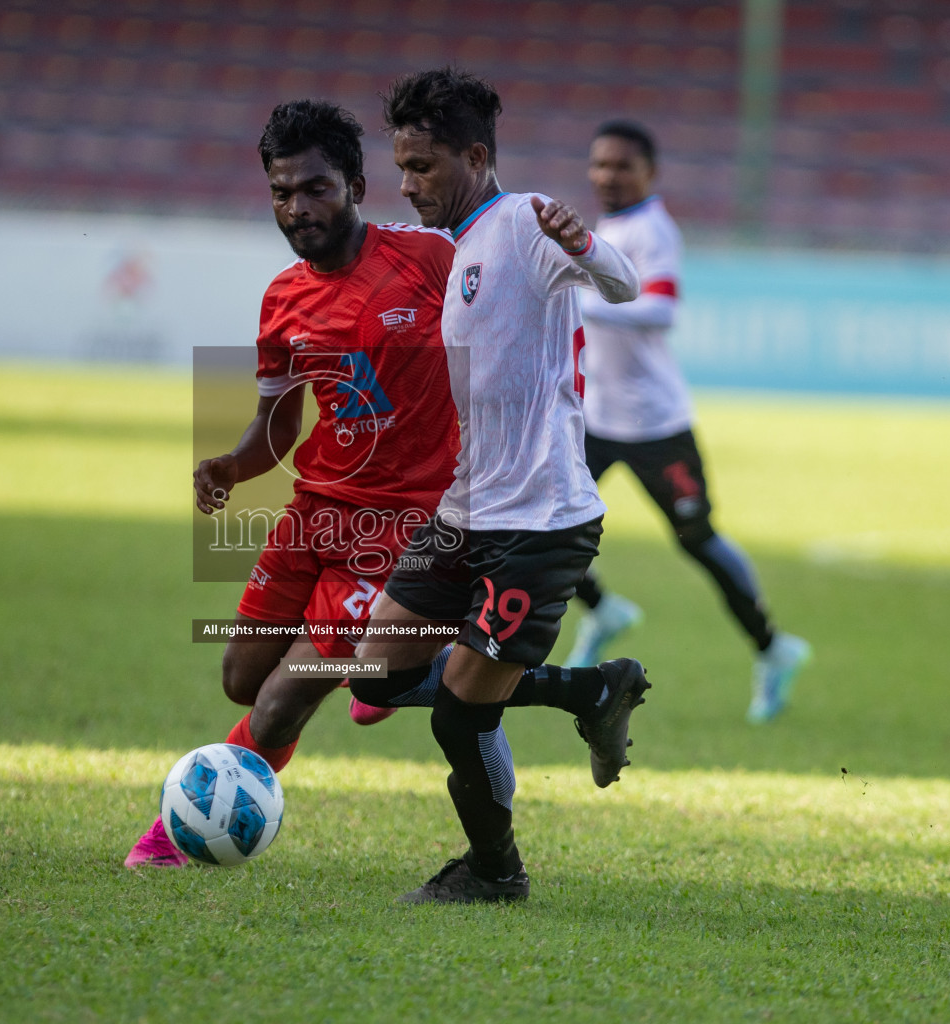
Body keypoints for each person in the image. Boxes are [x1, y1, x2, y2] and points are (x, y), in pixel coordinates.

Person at [125, 100, 461, 868]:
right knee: (243, 679)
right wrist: (232, 467)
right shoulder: (284, 299)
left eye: (316, 189)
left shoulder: (429, 262)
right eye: (283, 193)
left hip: (397, 528)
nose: (298, 209)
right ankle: (401, 664)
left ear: (356, 186)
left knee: (283, 698)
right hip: (312, 518)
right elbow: (277, 425)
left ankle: (179, 832)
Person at [347, 68, 650, 905]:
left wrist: (583, 242)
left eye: (423, 168)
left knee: (458, 715)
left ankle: (495, 874)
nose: (408, 186)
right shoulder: (460, 246)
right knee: (372, 675)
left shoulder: (522, 223)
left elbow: (624, 283)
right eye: (401, 167)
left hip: (543, 524)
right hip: (466, 511)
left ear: (476, 156)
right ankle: (592, 687)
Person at [566, 120, 811, 725]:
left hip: (656, 426)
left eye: (622, 165)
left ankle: (773, 648)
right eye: (600, 164)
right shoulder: (610, 227)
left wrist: (581, 299)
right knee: (539, 519)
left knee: (696, 540)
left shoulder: (654, 230)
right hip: (596, 417)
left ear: (650, 172)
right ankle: (603, 609)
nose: (607, 175)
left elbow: (661, 308)